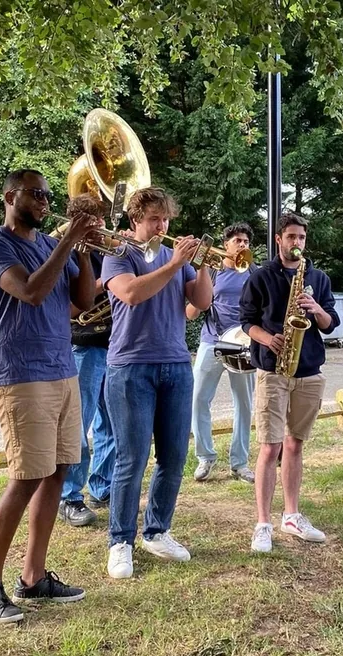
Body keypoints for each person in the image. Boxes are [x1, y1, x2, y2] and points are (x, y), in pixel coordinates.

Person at [0, 169, 98, 624]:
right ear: (10, 196)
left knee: (57, 471)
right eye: (37, 194)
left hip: (62, 370)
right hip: (20, 374)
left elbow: (80, 302)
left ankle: (34, 576)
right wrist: (69, 240)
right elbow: (29, 290)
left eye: (48, 195)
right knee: (26, 476)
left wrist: (84, 248)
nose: (46, 201)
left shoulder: (49, 244)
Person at [102, 187, 212, 579]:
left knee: (174, 457)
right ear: (136, 220)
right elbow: (131, 293)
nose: (162, 226)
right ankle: (120, 541)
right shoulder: (119, 253)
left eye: (165, 219)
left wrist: (201, 265)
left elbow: (201, 302)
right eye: (154, 219)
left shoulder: (174, 256)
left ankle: (157, 530)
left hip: (176, 365)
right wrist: (174, 264)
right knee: (130, 459)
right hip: (131, 366)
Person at [240, 212, 340, 553]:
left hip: (309, 370)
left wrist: (315, 308)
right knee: (270, 447)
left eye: (301, 238)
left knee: (295, 444)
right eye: (291, 237)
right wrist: (268, 339)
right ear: (279, 240)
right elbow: (246, 322)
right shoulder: (261, 277)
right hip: (273, 368)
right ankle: (263, 523)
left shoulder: (319, 278)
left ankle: (292, 515)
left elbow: (330, 323)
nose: (296, 243)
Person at [59, 194, 117, 527]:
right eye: (94, 221)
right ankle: (70, 496)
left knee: (111, 425)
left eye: (103, 220)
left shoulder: (110, 251)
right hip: (83, 346)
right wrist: (104, 283)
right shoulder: (64, 253)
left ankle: (101, 486)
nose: (102, 227)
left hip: (114, 346)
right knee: (77, 427)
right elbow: (69, 308)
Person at [187, 223, 257, 484]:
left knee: (245, 404)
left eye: (246, 241)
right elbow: (191, 312)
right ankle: (205, 457)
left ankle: (239, 463)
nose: (242, 245)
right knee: (198, 399)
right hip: (212, 340)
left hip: (243, 343)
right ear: (225, 244)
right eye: (237, 240)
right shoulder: (213, 271)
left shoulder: (253, 272)